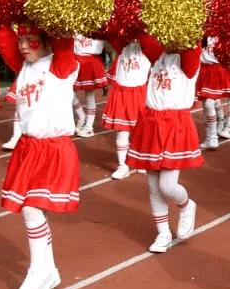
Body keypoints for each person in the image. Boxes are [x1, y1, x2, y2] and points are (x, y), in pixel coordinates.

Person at [0, 23, 80, 289]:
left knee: (31, 209)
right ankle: (47, 270)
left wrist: (56, 14)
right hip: (28, 148)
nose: (22, 45)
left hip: (54, 148)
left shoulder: (60, 65)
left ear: (45, 40)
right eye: (21, 39)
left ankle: (39, 271)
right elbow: (2, 36)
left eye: (30, 40)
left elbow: (63, 41)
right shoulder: (24, 67)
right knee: (30, 210)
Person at [126, 31, 202, 254]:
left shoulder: (188, 58)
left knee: (167, 185)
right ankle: (163, 233)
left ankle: (186, 205)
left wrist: (187, 26)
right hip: (151, 122)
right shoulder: (158, 55)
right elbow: (143, 34)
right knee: (153, 187)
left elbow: (191, 43)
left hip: (174, 124)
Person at [101, 30, 150, 179]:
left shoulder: (147, 49)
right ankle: (123, 165)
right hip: (121, 93)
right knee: (121, 132)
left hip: (139, 94)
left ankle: (141, 160)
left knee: (140, 132)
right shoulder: (122, 47)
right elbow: (109, 34)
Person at [197, 36, 230, 150]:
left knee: (215, 101)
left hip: (220, 69)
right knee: (208, 103)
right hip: (206, 70)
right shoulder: (202, 32)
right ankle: (213, 134)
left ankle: (225, 128)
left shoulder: (225, 32)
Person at [72, 34, 107, 137]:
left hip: (91, 60)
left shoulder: (98, 25)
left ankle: (89, 127)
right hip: (76, 60)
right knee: (68, 91)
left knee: (90, 95)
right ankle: (82, 117)